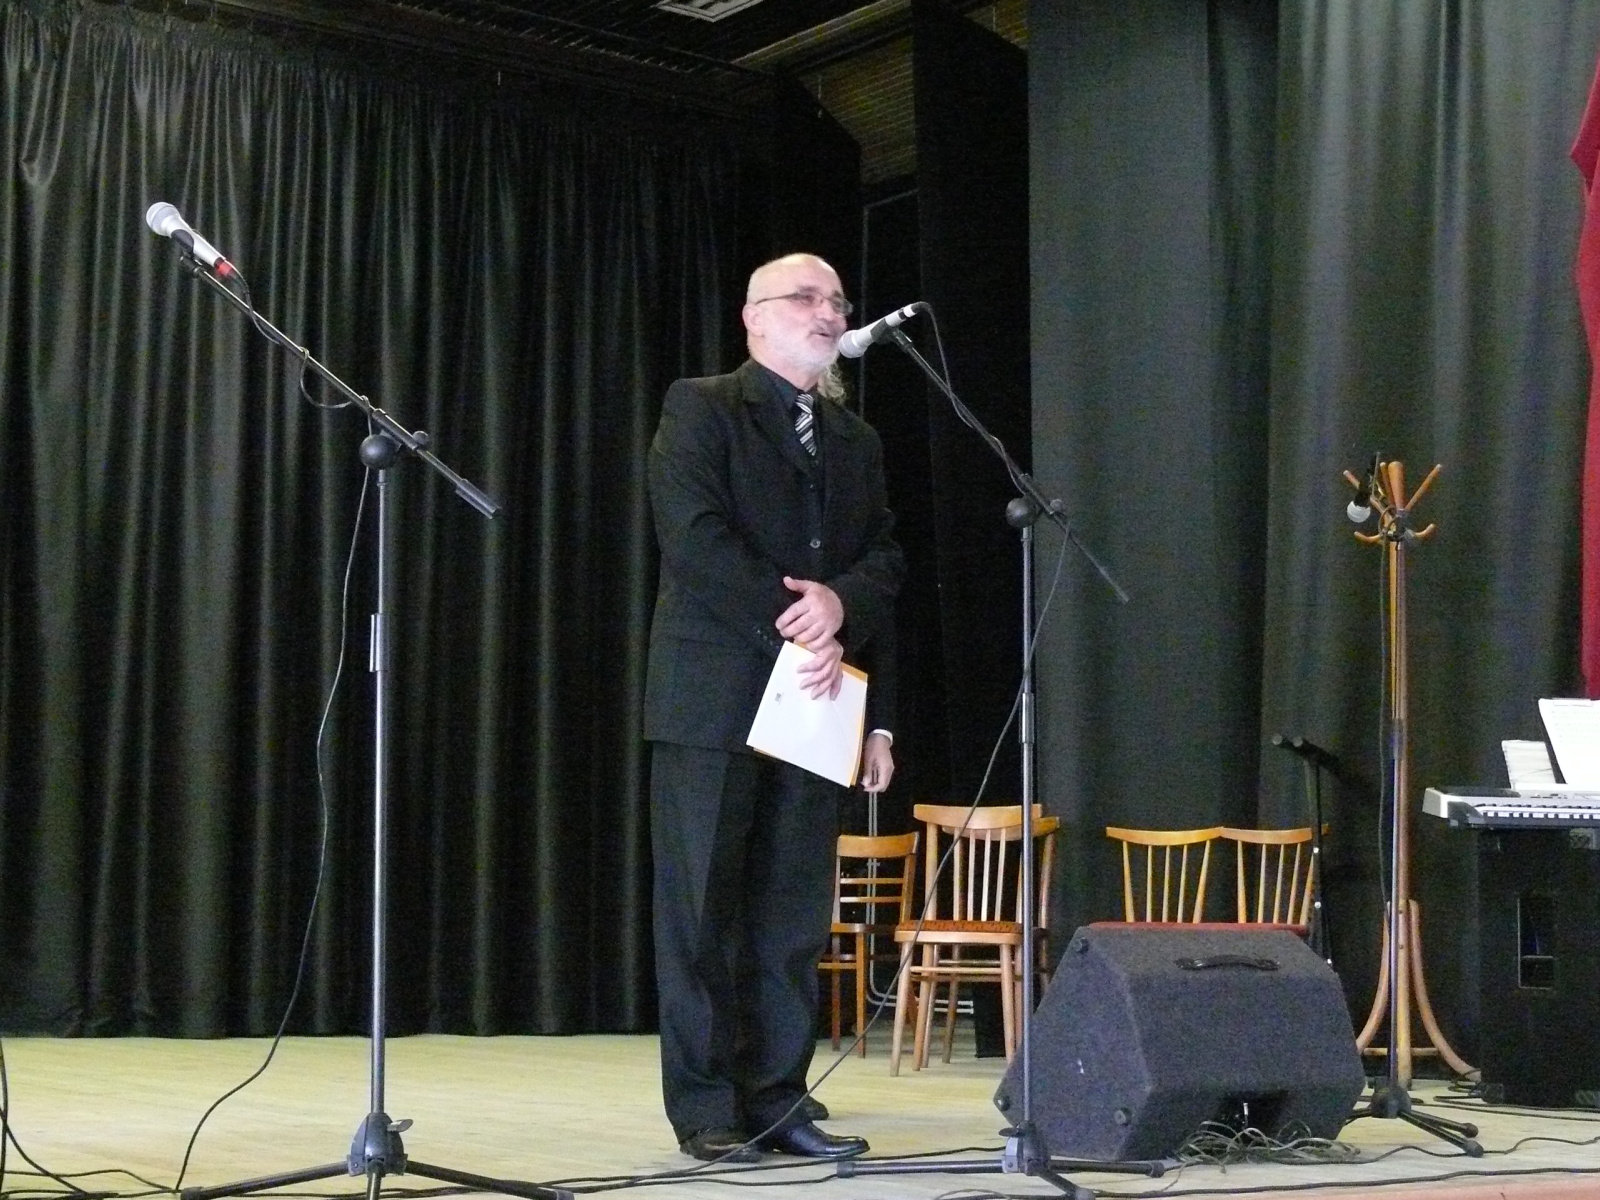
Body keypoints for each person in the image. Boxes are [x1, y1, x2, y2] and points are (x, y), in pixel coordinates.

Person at [643, 253, 904, 1163]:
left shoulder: (856, 439)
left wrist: (842, 614)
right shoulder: (701, 406)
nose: (828, 311)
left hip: (819, 702)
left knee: (791, 916)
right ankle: (708, 1109)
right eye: (805, 297)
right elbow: (694, 537)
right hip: (714, 697)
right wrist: (798, 622)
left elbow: (883, 560)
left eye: (838, 300)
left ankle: (778, 1099)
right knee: (702, 912)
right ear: (754, 317)